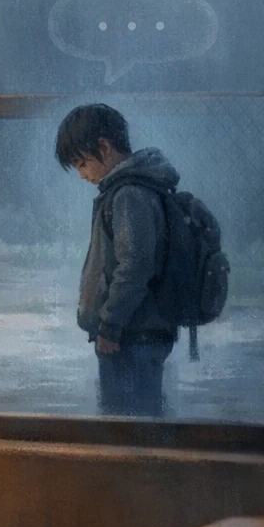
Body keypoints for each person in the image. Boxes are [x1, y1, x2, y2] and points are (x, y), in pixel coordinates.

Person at [55, 103, 180, 418]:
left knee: (124, 427)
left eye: (83, 164)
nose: (83, 175)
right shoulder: (137, 188)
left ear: (104, 148)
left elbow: (135, 265)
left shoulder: (128, 194)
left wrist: (109, 326)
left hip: (130, 335)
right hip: (141, 331)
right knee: (142, 419)